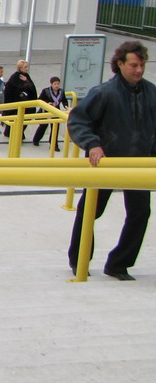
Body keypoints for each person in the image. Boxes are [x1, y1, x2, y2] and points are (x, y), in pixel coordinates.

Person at [66, 41, 156, 281]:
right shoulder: (104, 92)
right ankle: (80, 260)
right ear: (120, 64)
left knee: (140, 214)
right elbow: (78, 121)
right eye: (134, 65)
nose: (139, 70)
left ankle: (119, 264)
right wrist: (93, 144)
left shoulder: (151, 92)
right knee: (90, 211)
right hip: (105, 163)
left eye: (142, 65)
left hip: (140, 165)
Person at [3, 59, 37, 142]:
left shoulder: (26, 76)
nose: (26, 69)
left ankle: (14, 133)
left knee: (25, 120)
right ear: (20, 68)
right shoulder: (14, 77)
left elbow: (32, 88)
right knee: (17, 120)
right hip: (16, 104)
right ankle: (15, 135)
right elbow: (11, 90)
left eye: (27, 67)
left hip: (26, 104)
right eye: (25, 67)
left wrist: (26, 82)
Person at [32, 76, 68, 149]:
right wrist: (47, 103)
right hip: (45, 111)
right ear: (51, 84)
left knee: (55, 127)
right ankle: (36, 139)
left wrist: (66, 106)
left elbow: (64, 100)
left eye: (58, 84)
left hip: (55, 111)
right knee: (43, 126)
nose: (57, 85)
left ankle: (54, 145)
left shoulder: (61, 92)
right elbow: (39, 100)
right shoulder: (46, 91)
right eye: (55, 84)